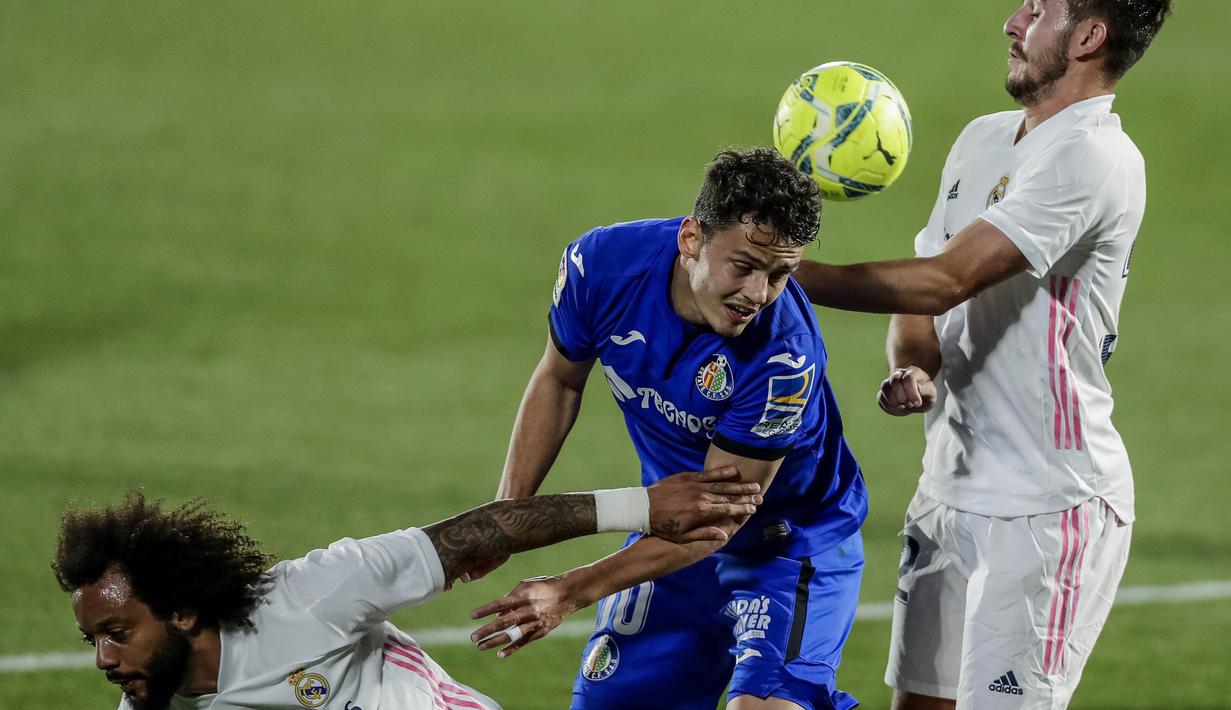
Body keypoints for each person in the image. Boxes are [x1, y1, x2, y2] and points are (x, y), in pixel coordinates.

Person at [788, 1, 1171, 708]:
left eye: (1038, 8)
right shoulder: (982, 139)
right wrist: (914, 365)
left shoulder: (1092, 157)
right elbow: (924, 296)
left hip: (1046, 510)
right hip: (950, 489)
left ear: (1088, 37)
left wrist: (772, 272)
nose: (1011, 21)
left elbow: (948, 278)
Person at [472, 148, 868, 710]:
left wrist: (570, 590)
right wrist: (505, 518)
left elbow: (715, 519)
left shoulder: (784, 357)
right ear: (691, 239)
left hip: (789, 550)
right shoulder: (602, 267)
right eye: (744, 266)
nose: (757, 295)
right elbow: (559, 381)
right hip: (667, 535)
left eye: (781, 274)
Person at [53, 468, 762, 710]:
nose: (105, 661)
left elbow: (483, 533)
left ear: (181, 610)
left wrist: (642, 508)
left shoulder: (310, 598)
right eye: (95, 641)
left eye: (117, 633)